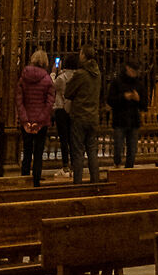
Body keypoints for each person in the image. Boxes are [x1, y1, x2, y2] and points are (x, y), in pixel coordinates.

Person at [16, 46, 54, 187]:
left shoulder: (23, 78)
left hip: (26, 121)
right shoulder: (48, 80)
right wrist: (39, 121)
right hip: (41, 123)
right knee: (38, 153)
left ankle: (25, 179)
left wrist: (25, 120)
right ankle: (36, 181)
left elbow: (19, 100)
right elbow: (49, 103)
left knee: (26, 152)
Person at [67, 48, 102, 182]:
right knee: (92, 150)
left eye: (81, 53)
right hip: (93, 116)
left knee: (78, 151)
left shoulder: (80, 74)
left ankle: (78, 183)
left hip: (80, 116)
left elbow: (68, 93)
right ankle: (95, 181)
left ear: (84, 56)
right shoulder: (97, 73)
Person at [108, 57, 144, 168]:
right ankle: (117, 164)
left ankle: (129, 169)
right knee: (118, 146)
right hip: (120, 119)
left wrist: (138, 99)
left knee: (132, 149)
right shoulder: (117, 82)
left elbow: (144, 105)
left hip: (134, 120)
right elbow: (110, 100)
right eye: (133, 71)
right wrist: (123, 97)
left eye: (136, 72)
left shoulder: (139, 84)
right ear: (127, 68)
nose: (134, 74)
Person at [51, 62, 74, 170]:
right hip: (73, 109)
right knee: (72, 138)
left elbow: (52, 86)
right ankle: (74, 163)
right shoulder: (77, 76)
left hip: (61, 108)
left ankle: (65, 164)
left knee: (63, 138)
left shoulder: (61, 78)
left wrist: (53, 73)